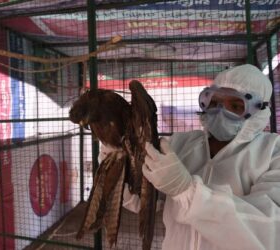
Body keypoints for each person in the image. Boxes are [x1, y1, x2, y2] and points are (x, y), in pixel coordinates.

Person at [100, 64, 280, 250]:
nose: (220, 111)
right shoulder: (180, 144)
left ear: (258, 111)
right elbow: (143, 200)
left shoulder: (272, 153)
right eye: (214, 102)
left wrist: (186, 191)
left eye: (235, 105)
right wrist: (120, 158)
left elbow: (269, 231)